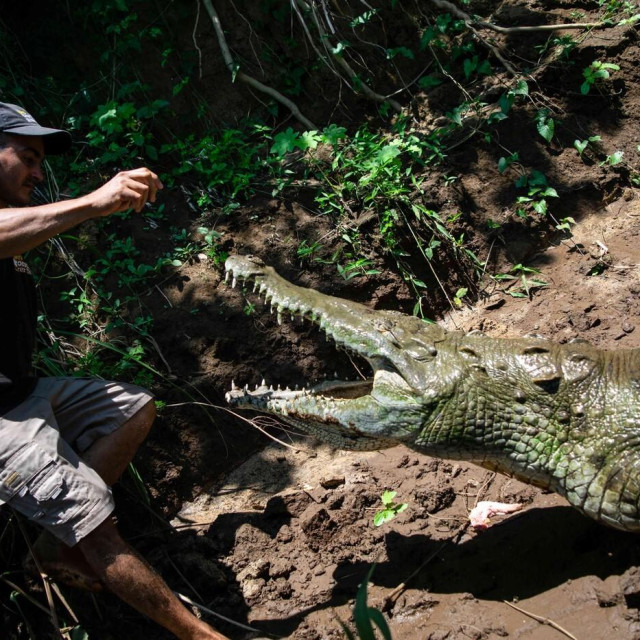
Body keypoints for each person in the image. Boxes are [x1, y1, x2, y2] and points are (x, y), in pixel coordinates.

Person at [0, 102, 230, 640]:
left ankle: (56, 544)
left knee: (132, 407)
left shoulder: (16, 222)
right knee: (94, 521)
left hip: (22, 393)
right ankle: (200, 635)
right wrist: (93, 202)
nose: (38, 172)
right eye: (27, 157)